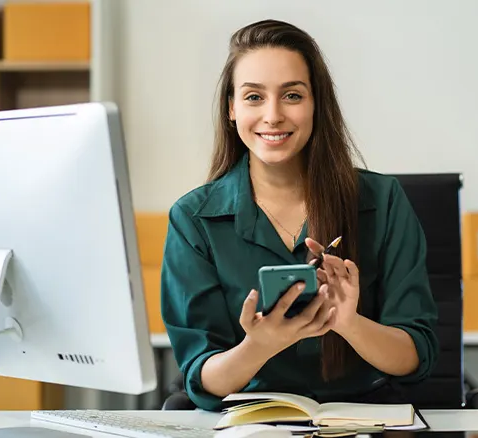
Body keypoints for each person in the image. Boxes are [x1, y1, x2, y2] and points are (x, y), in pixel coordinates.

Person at [159, 18, 440, 412]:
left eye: (292, 95)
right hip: (249, 421)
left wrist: (349, 323)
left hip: (363, 418)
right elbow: (203, 379)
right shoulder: (193, 219)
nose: (273, 116)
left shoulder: (383, 200)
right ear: (231, 109)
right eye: (254, 97)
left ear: (316, 104)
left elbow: (416, 358)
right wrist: (258, 347)